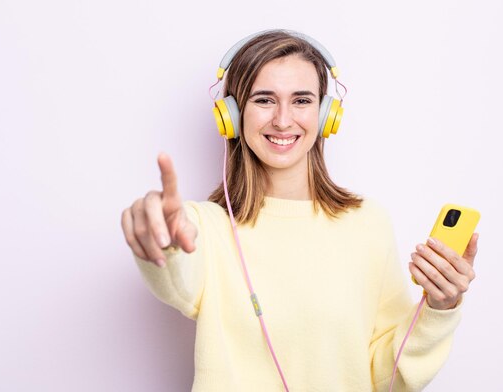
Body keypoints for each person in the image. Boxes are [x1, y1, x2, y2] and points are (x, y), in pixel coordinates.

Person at [120, 30, 479, 392]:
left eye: (301, 100)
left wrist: (440, 306)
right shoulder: (205, 224)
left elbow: (389, 376)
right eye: (264, 100)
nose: (282, 120)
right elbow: (177, 277)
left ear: (326, 114)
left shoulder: (368, 223)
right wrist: (160, 237)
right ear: (232, 114)